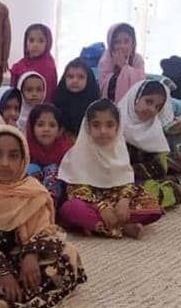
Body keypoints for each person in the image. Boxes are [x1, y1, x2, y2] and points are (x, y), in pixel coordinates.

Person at [0, 125, 86, 308]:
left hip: (24, 260)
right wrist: (3, 271)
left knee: (68, 255)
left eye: (13, 156)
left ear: (24, 160)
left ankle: (18, 290)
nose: (5, 163)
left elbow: (45, 229)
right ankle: (16, 293)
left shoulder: (32, 191)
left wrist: (30, 254)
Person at [57, 99, 163, 239]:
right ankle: (120, 227)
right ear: (88, 127)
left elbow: (127, 182)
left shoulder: (119, 150)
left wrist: (124, 201)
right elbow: (76, 190)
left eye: (109, 125)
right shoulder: (79, 153)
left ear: (117, 127)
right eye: (96, 125)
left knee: (151, 202)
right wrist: (101, 208)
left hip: (117, 201)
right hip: (91, 204)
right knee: (70, 209)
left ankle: (99, 226)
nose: (103, 131)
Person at [118, 79, 181, 209]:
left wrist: (131, 171)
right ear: (135, 97)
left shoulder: (154, 130)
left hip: (139, 179)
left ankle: (171, 192)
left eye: (157, 107)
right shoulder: (115, 122)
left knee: (144, 191)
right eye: (148, 102)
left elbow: (160, 168)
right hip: (112, 175)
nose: (152, 109)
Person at [25, 104, 72, 206]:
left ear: (60, 131)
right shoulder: (25, 148)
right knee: (31, 169)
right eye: (40, 125)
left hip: (58, 197)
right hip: (30, 198)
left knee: (53, 170)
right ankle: (31, 208)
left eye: (52, 125)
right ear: (32, 129)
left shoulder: (65, 150)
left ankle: (48, 208)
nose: (46, 129)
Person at [10, 24, 58, 103]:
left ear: (48, 43)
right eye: (31, 40)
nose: (35, 45)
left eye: (41, 41)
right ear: (26, 43)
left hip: (42, 110)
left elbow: (50, 95)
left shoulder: (49, 67)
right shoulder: (19, 65)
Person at [98, 23, 146, 102]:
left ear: (133, 43)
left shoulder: (137, 59)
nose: (122, 46)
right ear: (111, 44)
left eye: (126, 41)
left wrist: (123, 66)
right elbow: (103, 88)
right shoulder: (106, 61)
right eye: (117, 42)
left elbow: (140, 86)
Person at [54, 59, 100, 138]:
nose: (75, 81)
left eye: (81, 77)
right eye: (70, 77)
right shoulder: (58, 101)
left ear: (89, 79)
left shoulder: (95, 104)